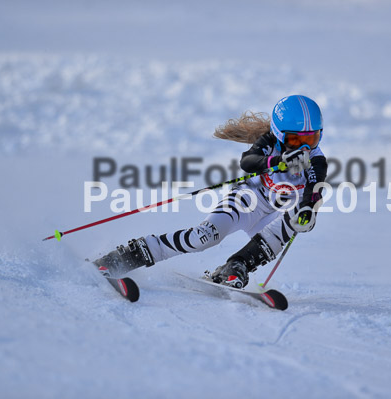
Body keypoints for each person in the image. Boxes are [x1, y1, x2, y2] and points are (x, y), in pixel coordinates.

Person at [95, 95, 328, 288]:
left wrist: (308, 211)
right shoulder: (270, 142)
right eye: (296, 140)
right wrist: (278, 161)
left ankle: (236, 266)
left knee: (297, 216)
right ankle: (125, 256)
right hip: (249, 200)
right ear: (279, 133)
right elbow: (248, 162)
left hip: (274, 216)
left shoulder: (316, 159)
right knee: (203, 237)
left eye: (313, 138)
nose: (305, 147)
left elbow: (314, 188)